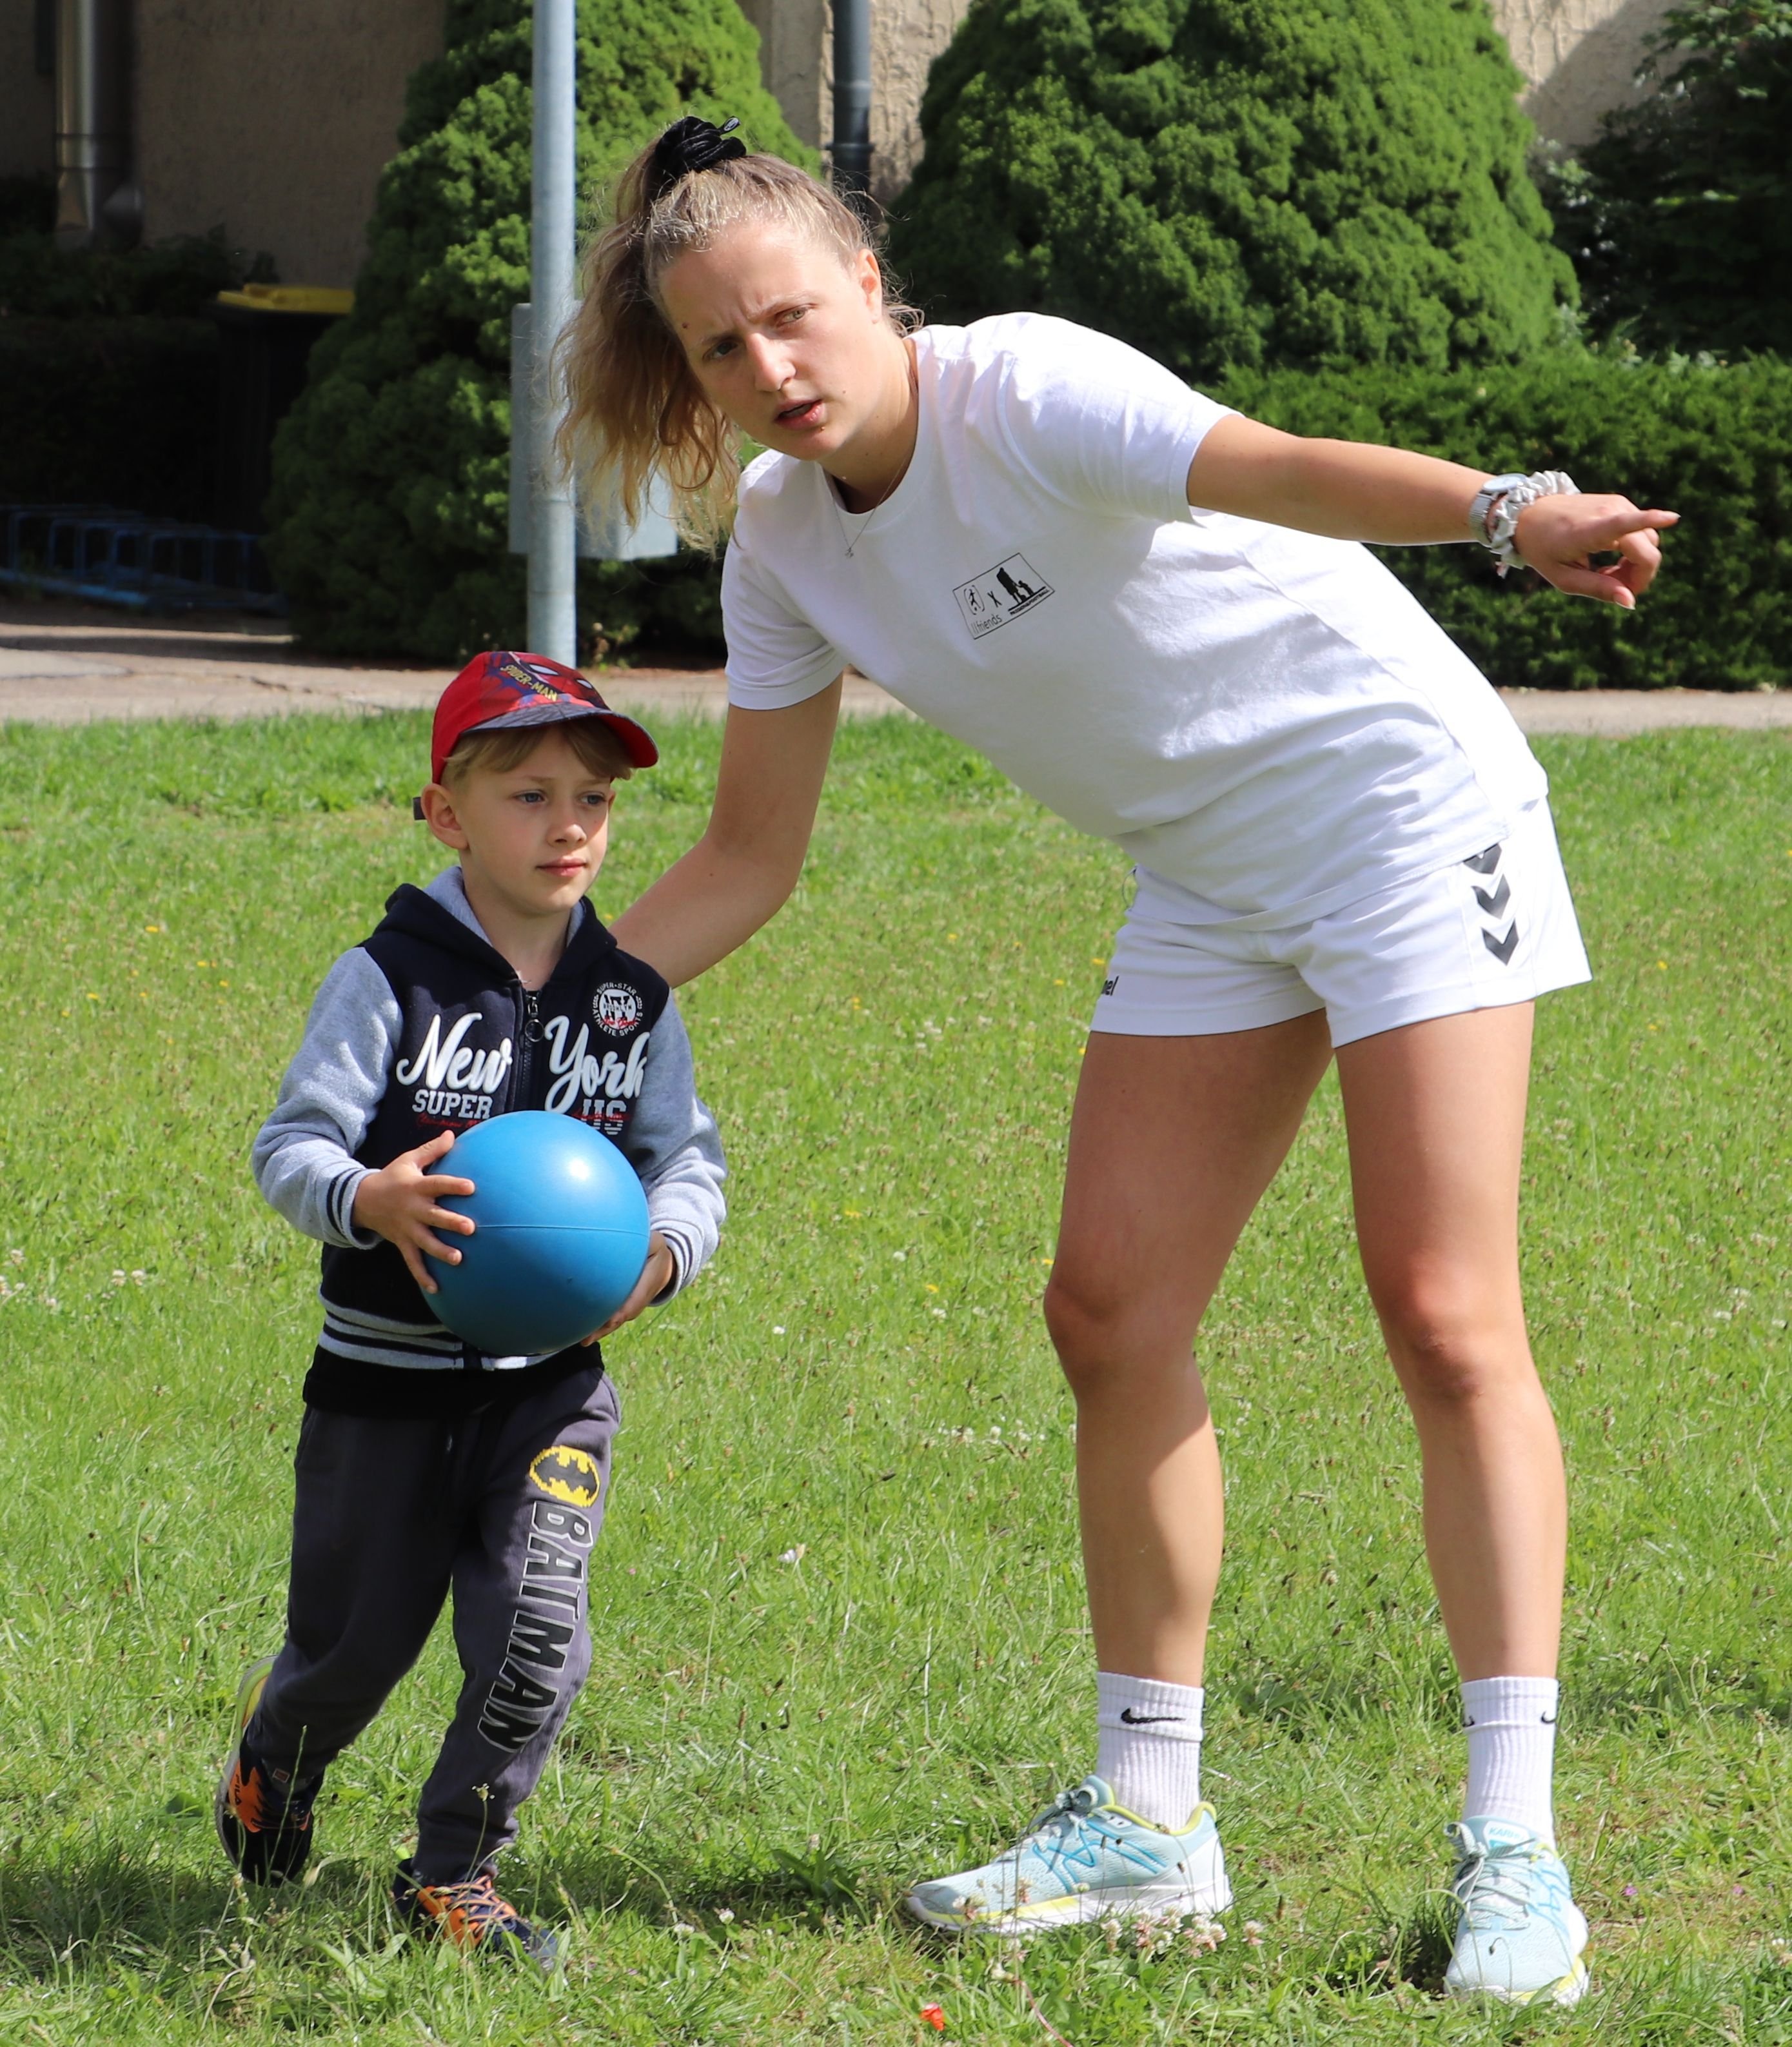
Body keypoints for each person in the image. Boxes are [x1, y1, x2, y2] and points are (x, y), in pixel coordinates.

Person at [560, 117, 1677, 2007]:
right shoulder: (778, 550)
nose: (773, 374)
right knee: (1109, 1307)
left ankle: (1516, 1848)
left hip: (1401, 811)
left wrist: (1508, 512)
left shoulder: (1028, 389)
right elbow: (750, 857)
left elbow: (1281, 468)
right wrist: (550, 1002)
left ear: (863, 280)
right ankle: (1151, 1816)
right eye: (721, 353)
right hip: (1212, 875)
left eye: (791, 318)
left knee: (1437, 1304)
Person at [225, 651, 726, 1968]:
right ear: (446, 812)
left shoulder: (629, 1000)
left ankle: (455, 1872)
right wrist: (367, 1199)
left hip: (550, 1383)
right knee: (353, 1652)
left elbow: (686, 1161)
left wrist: (661, 1257)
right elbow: (290, 1146)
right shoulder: (387, 977)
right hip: (382, 1387)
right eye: (528, 794)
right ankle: (281, 1750)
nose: (569, 825)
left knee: (537, 1636)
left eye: (596, 799)